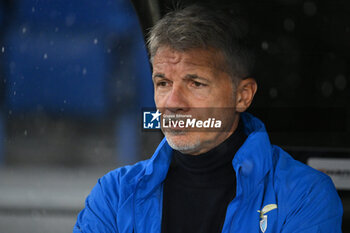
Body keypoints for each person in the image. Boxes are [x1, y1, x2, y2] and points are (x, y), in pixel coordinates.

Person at [74, 4, 343, 233]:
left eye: (196, 84)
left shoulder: (304, 195)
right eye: (163, 83)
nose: (173, 103)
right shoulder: (114, 194)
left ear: (243, 96)